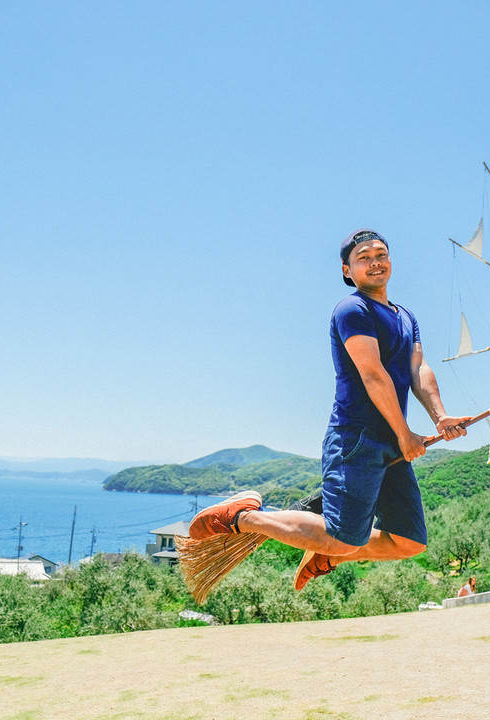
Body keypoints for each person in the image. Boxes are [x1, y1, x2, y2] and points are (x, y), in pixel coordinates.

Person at [188, 228, 468, 590]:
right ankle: (243, 518)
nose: (374, 262)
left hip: (392, 440)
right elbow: (373, 375)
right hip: (358, 436)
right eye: (363, 257)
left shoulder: (405, 316)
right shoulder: (353, 309)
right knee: (345, 534)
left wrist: (439, 416)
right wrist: (404, 433)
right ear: (347, 270)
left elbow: (418, 369)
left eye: (380, 254)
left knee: (408, 541)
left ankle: (330, 550)